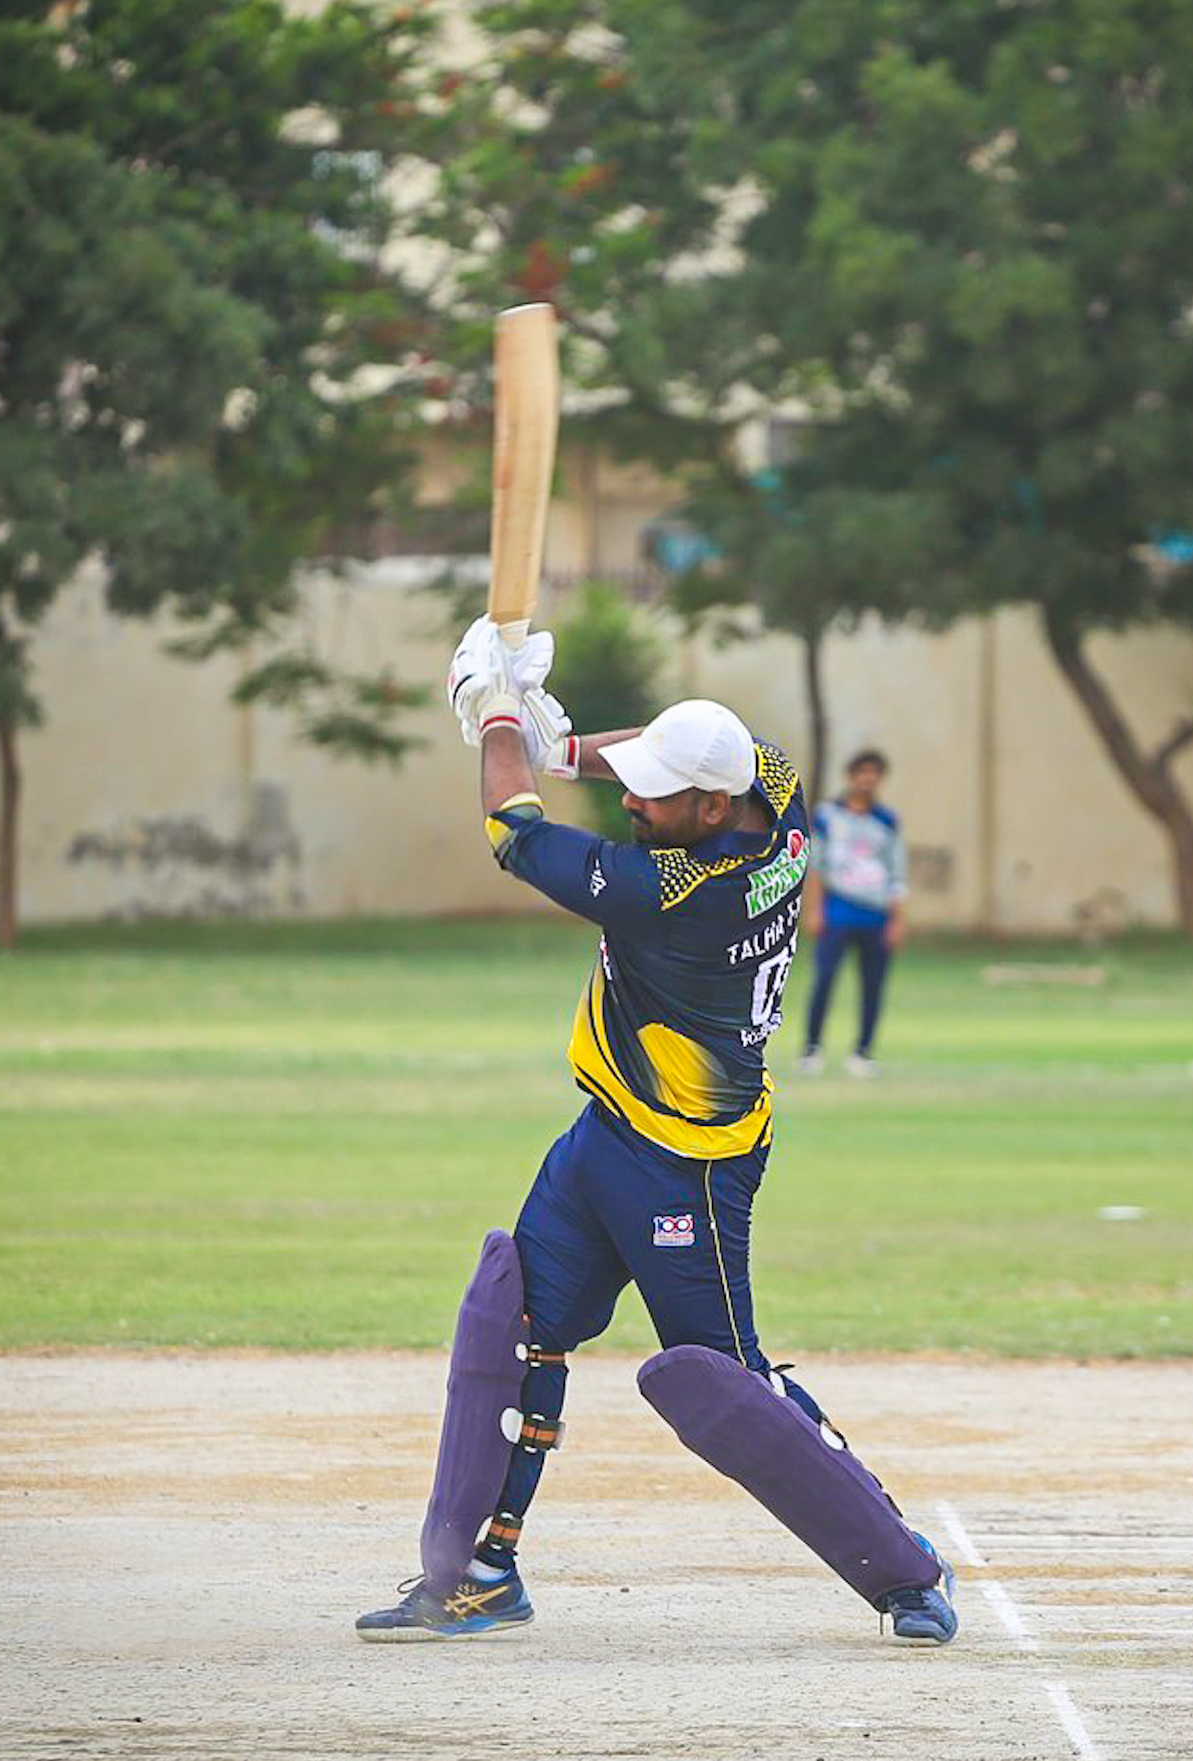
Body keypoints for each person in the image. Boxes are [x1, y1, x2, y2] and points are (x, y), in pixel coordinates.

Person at [353, 618, 956, 1646]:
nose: (631, 803)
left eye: (653, 794)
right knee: (516, 1317)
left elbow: (514, 834)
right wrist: (562, 743)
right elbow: (662, 755)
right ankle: (478, 1576)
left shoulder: (680, 896)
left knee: (725, 1382)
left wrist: (495, 720)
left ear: (711, 808)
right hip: (605, 1138)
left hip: (691, 1166)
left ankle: (904, 1571)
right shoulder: (776, 791)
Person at [800, 748, 907, 1077]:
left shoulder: (887, 820)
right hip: (838, 910)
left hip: (875, 914)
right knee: (824, 980)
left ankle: (862, 1051)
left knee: (872, 986)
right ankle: (812, 1048)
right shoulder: (828, 815)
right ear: (851, 775)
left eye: (874, 773)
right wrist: (815, 911)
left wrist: (897, 919)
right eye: (863, 772)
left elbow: (897, 872)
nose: (867, 779)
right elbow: (816, 866)